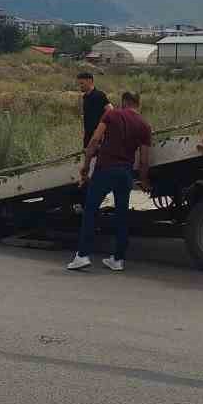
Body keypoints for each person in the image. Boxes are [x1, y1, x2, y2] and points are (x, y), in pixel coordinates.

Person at [67, 91, 152, 273]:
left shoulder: (112, 114)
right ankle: (118, 259)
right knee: (122, 215)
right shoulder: (144, 125)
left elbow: (94, 140)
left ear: (123, 102)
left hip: (105, 169)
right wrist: (143, 180)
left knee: (90, 210)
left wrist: (86, 167)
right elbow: (144, 160)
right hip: (126, 174)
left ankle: (82, 256)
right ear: (138, 104)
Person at [76, 71, 111, 148]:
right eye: (79, 84)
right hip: (88, 135)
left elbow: (110, 110)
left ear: (90, 81)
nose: (80, 86)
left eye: (82, 83)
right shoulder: (85, 97)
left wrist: (101, 128)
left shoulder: (99, 95)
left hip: (98, 136)